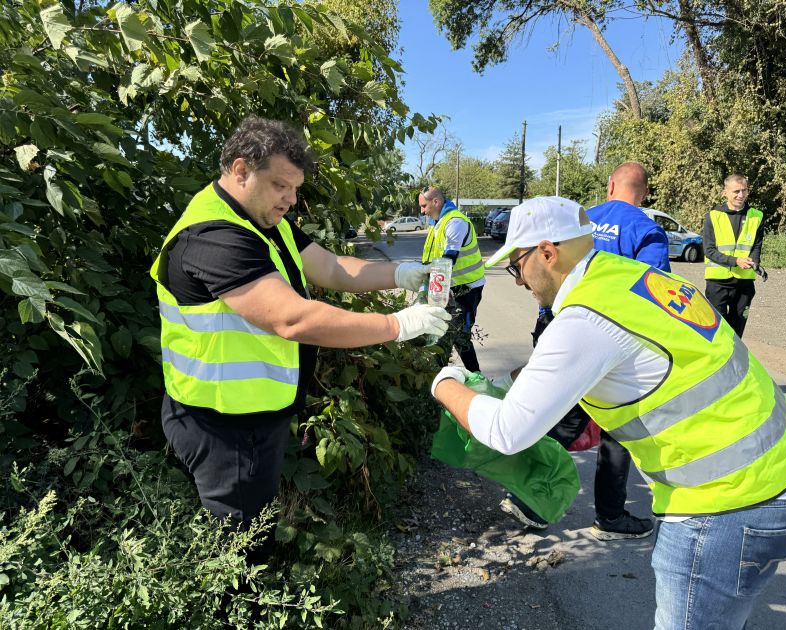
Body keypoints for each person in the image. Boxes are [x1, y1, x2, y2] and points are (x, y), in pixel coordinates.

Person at [431, 196, 786, 629]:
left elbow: (507, 432)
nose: (519, 281)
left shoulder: (584, 319)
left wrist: (445, 382)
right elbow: (598, 357)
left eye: (517, 265)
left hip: (728, 502)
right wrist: (512, 382)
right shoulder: (632, 278)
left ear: (547, 252)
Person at [150, 116, 450, 543]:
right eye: (281, 186)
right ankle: (247, 609)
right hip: (222, 425)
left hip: (251, 413)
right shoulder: (215, 236)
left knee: (253, 524)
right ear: (240, 171)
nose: (291, 200)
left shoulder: (263, 220)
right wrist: (397, 324)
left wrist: (400, 273)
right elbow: (293, 318)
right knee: (241, 545)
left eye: (295, 189)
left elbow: (330, 266)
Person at [501, 164, 667, 539]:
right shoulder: (645, 229)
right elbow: (653, 290)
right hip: (616, 338)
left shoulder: (581, 220)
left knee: (565, 417)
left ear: (610, 185)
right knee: (618, 429)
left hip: (560, 326)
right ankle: (609, 517)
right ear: (643, 191)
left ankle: (529, 497)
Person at [418, 187, 485, 372]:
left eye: (424, 206)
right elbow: (432, 257)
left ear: (436, 202)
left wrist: (430, 288)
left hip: (467, 288)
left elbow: (448, 259)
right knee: (443, 329)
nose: (422, 211)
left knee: (460, 334)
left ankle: (476, 375)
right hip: (449, 286)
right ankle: (437, 372)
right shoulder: (436, 223)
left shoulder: (456, 222)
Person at [703, 174, 764, 337]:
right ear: (725, 193)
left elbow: (756, 246)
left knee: (736, 333)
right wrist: (735, 261)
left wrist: (755, 263)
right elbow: (709, 251)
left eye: (744, 191)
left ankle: (734, 362)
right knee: (717, 332)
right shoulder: (713, 216)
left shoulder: (756, 216)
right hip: (718, 283)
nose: (741, 195)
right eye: (736, 191)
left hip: (744, 283)